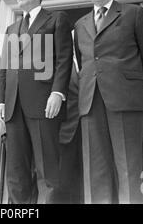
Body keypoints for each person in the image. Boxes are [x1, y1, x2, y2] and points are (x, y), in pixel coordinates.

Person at [74, 0, 143, 204]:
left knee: (130, 167)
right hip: (90, 101)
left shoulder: (133, 13)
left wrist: (128, 81)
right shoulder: (80, 24)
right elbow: (83, 62)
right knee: (96, 168)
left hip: (125, 98)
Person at [0, 0, 73, 204]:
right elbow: (4, 68)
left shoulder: (56, 19)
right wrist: (1, 100)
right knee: (16, 171)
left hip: (43, 103)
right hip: (13, 106)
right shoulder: (11, 28)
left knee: (48, 169)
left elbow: (64, 59)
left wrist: (57, 93)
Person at [54, 59, 83, 204]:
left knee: (83, 185)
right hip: (63, 131)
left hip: (89, 131)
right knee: (60, 186)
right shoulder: (53, 58)